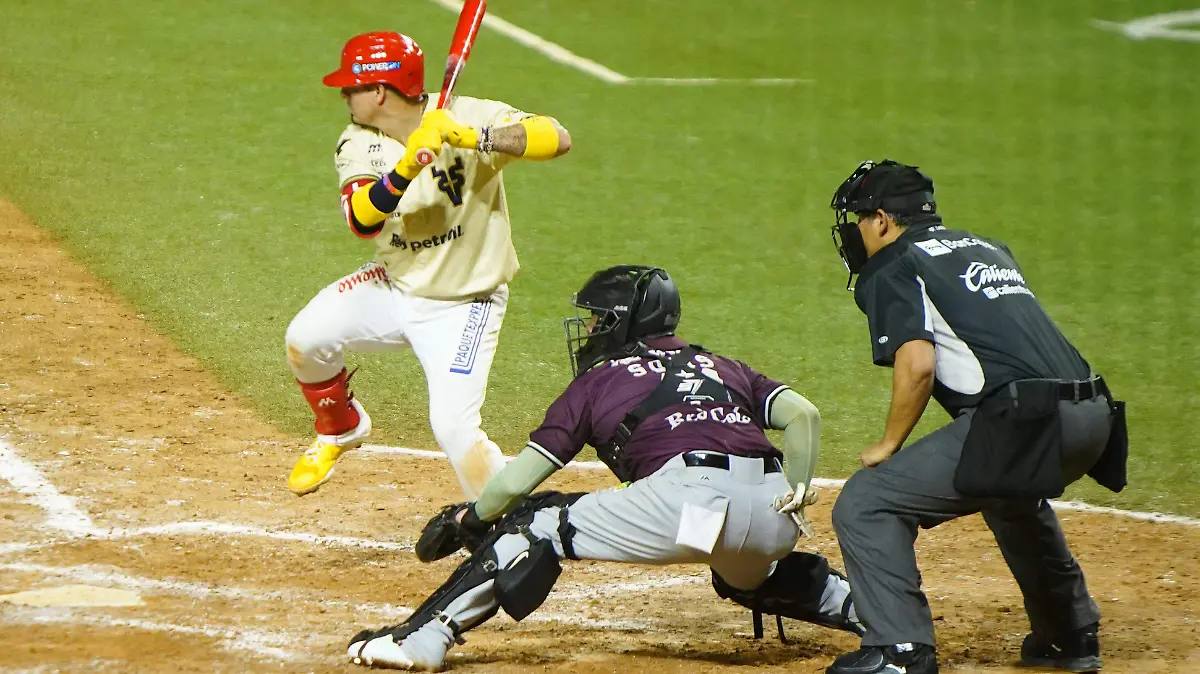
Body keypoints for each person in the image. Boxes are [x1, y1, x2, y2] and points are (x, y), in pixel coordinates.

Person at [344, 264, 863, 670]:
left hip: (690, 503)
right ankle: (876, 615)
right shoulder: (723, 365)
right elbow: (804, 416)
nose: (590, 329)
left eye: (598, 319)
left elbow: (518, 483)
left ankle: (423, 638)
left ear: (623, 323)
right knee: (746, 576)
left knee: (537, 520)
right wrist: (796, 490)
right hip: (774, 514)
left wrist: (471, 520)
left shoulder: (599, 381)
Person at [823, 160, 1128, 674]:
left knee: (866, 504)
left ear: (881, 220)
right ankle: (1069, 634)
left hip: (1025, 420)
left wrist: (888, 444)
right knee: (1008, 491)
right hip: (1094, 414)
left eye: (857, 219)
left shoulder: (894, 264)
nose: (854, 232)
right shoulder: (986, 248)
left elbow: (917, 364)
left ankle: (899, 651)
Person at [284, 31, 571, 498]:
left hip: (465, 303)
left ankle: (505, 520)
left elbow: (557, 138)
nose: (343, 96)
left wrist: (476, 139)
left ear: (378, 91)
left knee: (454, 430)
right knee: (304, 338)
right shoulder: (357, 140)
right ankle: (341, 427)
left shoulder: (468, 114)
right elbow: (361, 218)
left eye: (351, 87)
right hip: (397, 286)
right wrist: (407, 167)